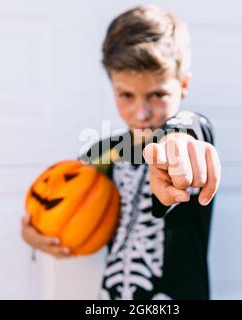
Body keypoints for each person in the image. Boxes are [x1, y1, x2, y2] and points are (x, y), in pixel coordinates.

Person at [21, 4, 221, 300]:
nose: (141, 113)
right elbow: (66, 202)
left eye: (158, 95)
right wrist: (35, 234)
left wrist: (178, 141)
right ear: (112, 87)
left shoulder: (191, 136)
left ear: (183, 86)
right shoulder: (104, 153)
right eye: (126, 95)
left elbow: (188, 128)